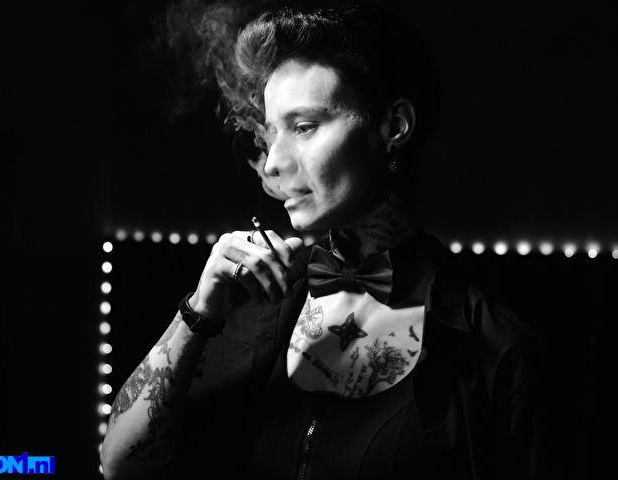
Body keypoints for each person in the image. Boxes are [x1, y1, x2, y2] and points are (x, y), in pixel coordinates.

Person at [100, 3, 538, 479]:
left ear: (394, 126)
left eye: (304, 127)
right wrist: (198, 312)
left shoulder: (493, 344)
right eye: (271, 134)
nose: (272, 163)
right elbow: (119, 464)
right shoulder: (254, 304)